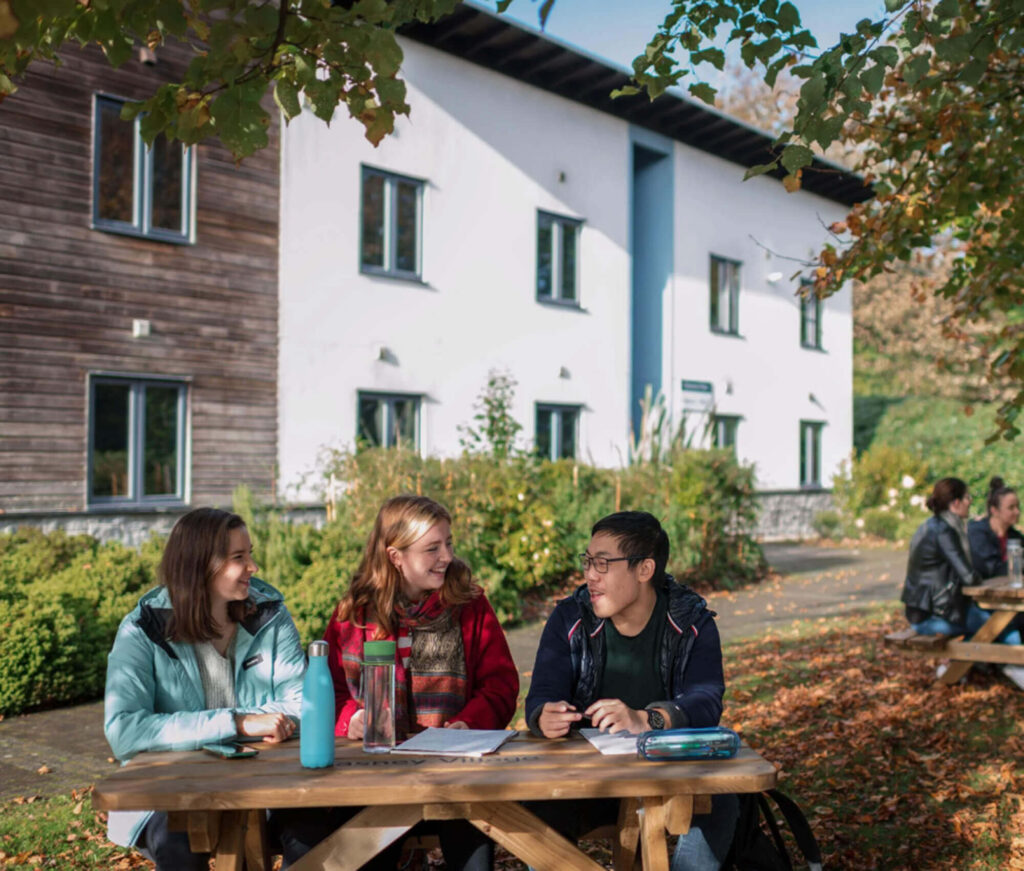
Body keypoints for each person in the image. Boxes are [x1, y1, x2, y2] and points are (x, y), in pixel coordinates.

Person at [524, 510, 735, 871]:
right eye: (588, 561)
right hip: (587, 783)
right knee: (539, 802)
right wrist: (544, 715)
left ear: (644, 569)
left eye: (603, 563)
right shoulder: (569, 618)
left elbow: (705, 701)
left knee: (723, 797)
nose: (590, 574)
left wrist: (646, 718)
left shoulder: (691, 621)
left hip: (669, 780)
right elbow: (542, 694)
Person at [103, 508, 310, 870]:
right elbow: (124, 731)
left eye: (251, 554)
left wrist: (242, 724)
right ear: (201, 565)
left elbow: (302, 704)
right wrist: (238, 723)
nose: (253, 567)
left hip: (270, 783)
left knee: (314, 831)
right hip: (170, 791)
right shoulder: (142, 629)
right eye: (239, 558)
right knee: (178, 841)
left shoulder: (271, 616)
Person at [325, 494, 519, 871]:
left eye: (448, 544)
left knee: (473, 854)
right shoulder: (354, 613)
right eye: (432, 548)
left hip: (453, 772)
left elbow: (501, 684)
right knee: (365, 851)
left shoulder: (470, 604)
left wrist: (470, 724)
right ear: (396, 556)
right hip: (373, 775)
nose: (446, 556)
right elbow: (328, 690)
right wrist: (352, 718)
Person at [901, 477, 1024, 689]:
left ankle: (957, 668)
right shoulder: (944, 532)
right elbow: (969, 576)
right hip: (930, 614)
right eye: (967, 497)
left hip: (933, 606)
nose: (970, 501)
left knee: (999, 623)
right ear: (956, 503)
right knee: (1001, 626)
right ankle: (1013, 668)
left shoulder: (937, 525)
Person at [968, 477, 1024, 579]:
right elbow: (991, 570)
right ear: (994, 510)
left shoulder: (1015, 535)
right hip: (980, 592)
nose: (1017, 512)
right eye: (1011, 508)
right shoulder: (977, 533)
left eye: (1018, 507)